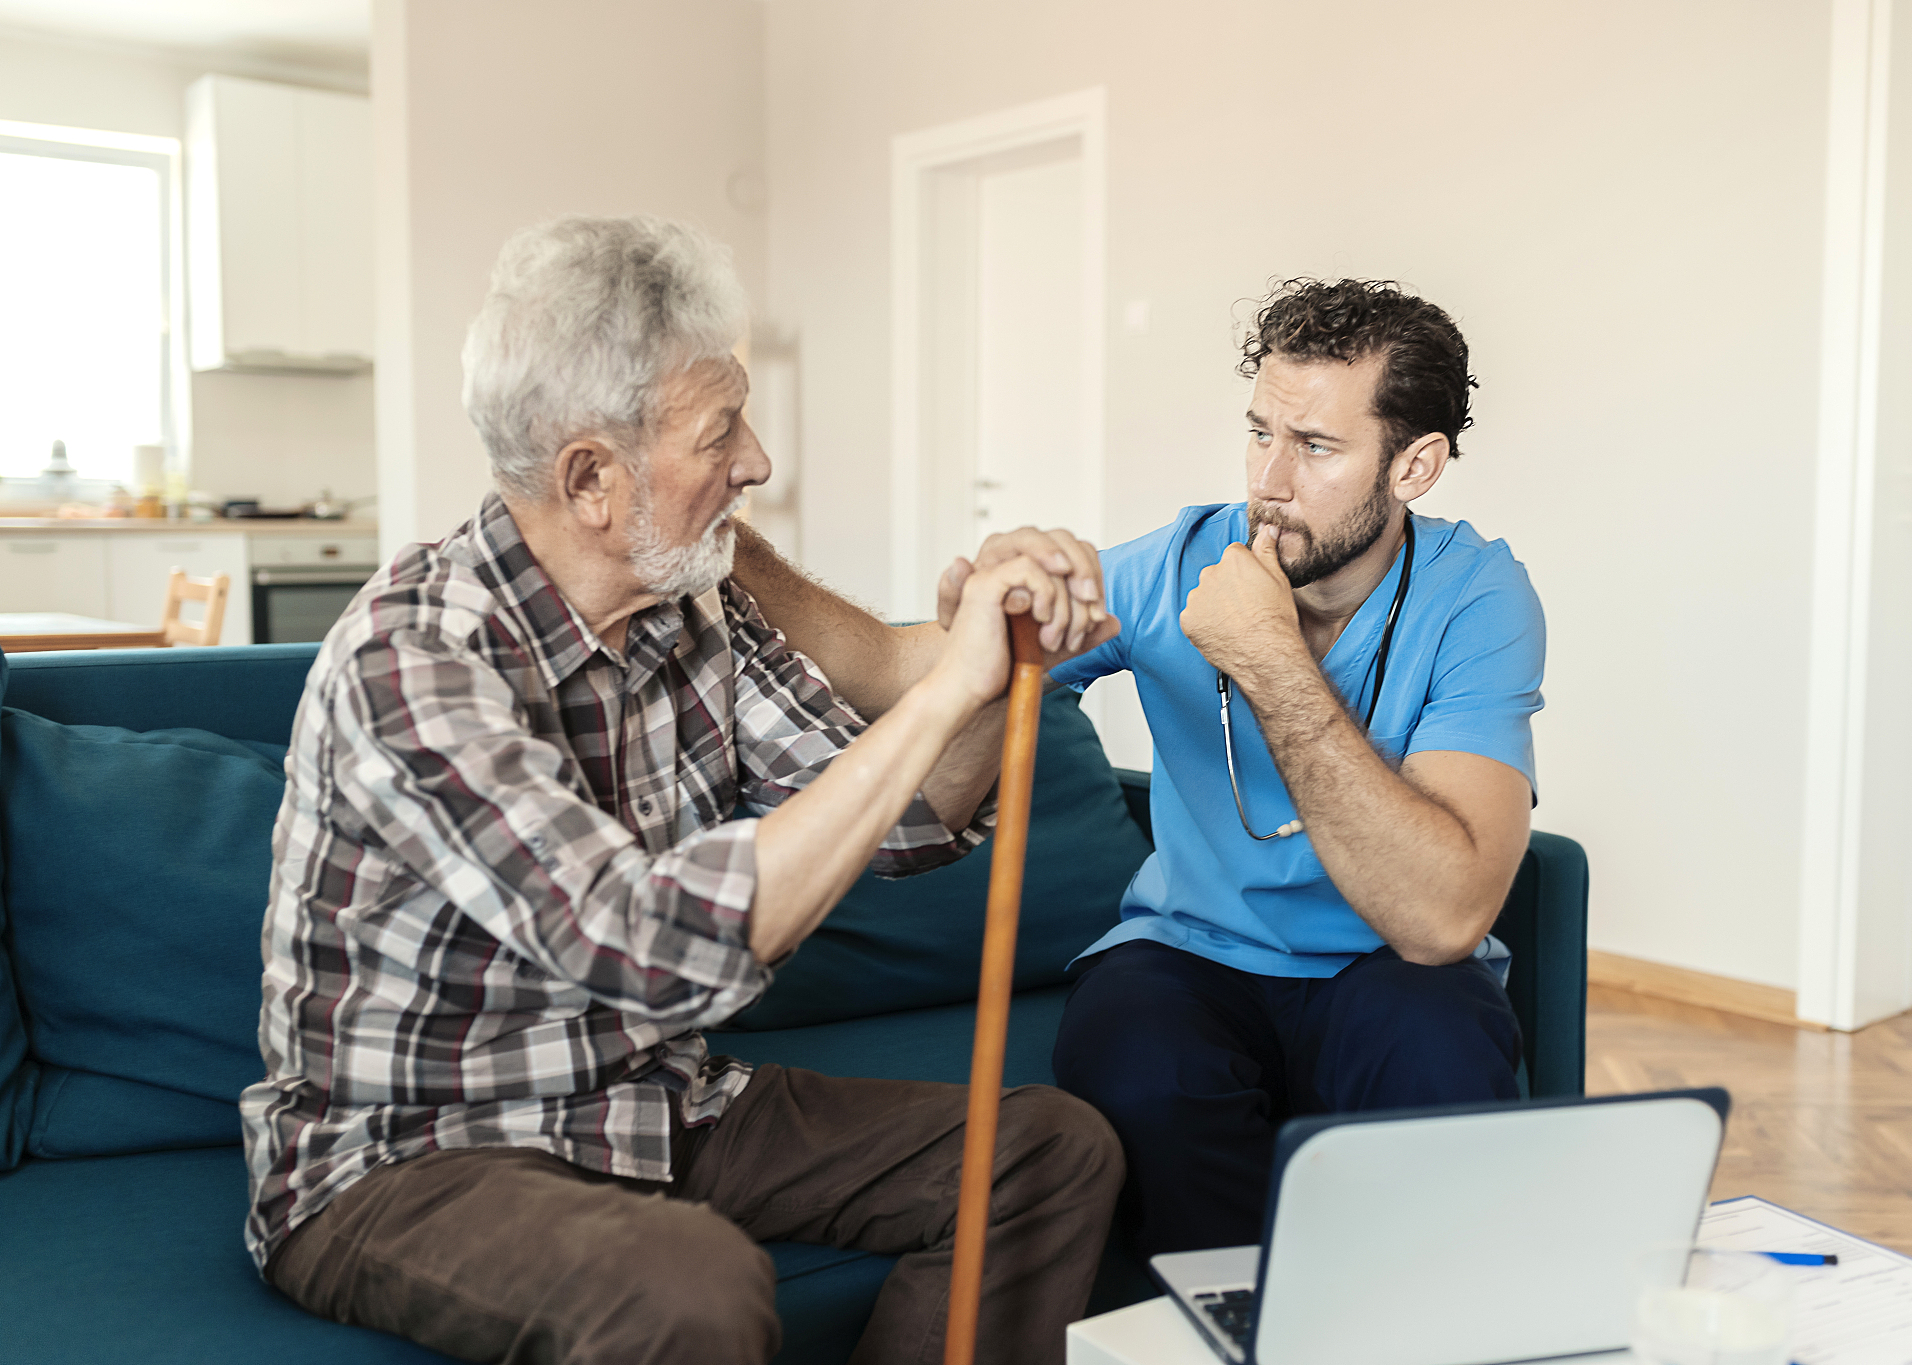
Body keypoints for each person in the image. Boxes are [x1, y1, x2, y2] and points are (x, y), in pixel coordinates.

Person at [242, 214, 1123, 1365]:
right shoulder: (410, 657)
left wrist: (991, 677)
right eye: (720, 433)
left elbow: (902, 822)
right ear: (592, 479)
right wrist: (933, 694)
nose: (756, 461)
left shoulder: (689, 606)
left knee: (1049, 1150)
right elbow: (644, 945)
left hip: (652, 1101)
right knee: (689, 1285)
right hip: (408, 1158)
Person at [738, 278, 1542, 1262]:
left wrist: (1268, 657)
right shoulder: (1175, 567)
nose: (1268, 481)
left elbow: (1442, 920)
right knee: (1134, 1059)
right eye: (1259, 434)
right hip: (1190, 955)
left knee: (1440, 1049)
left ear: (1412, 465)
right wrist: (728, 549)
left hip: (1386, 967)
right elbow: (889, 665)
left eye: (1315, 447)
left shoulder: (1476, 597)